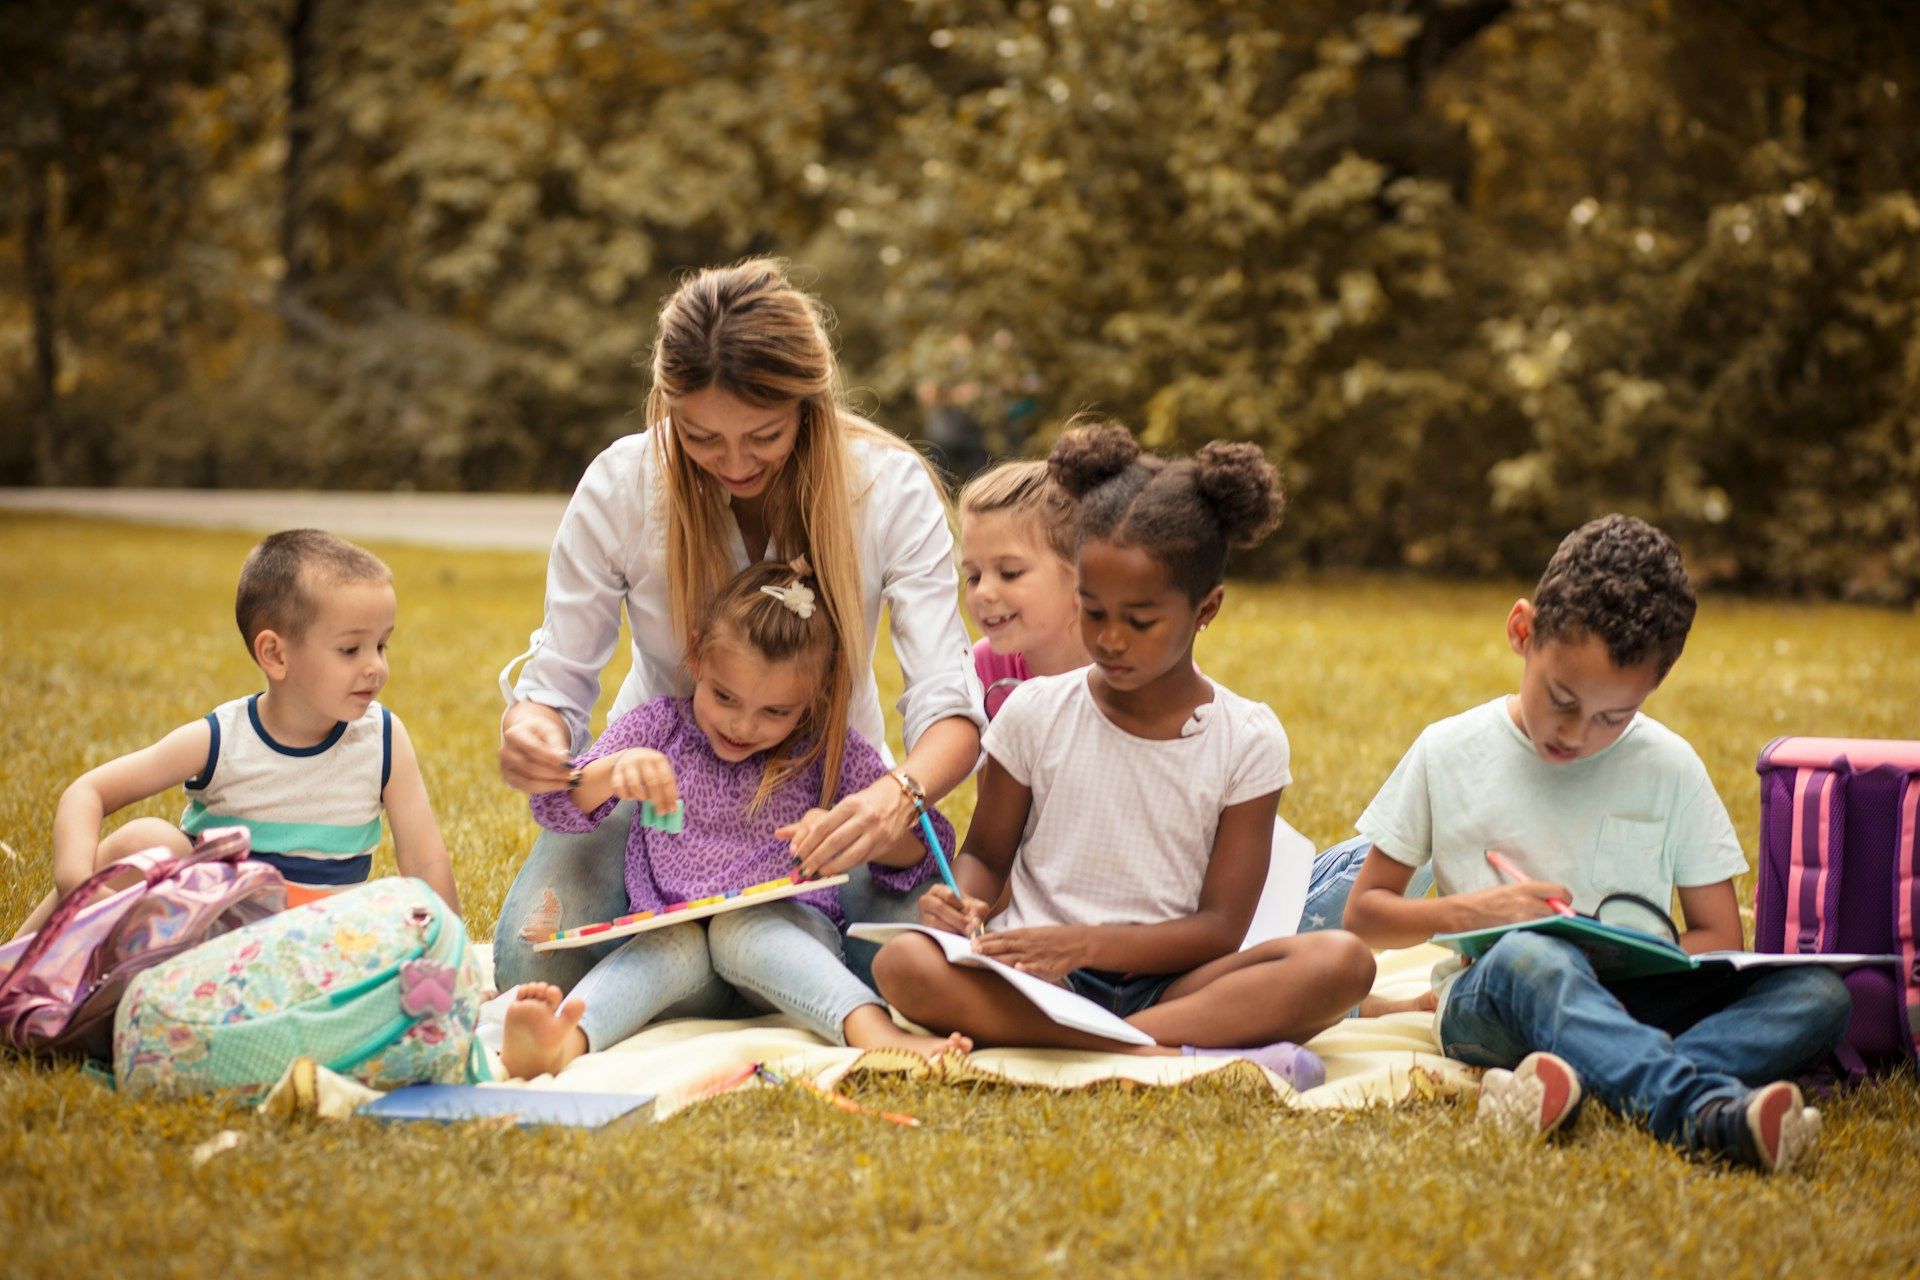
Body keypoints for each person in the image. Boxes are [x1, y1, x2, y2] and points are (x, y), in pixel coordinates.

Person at [492, 259, 984, 994]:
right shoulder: (624, 485)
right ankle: (744, 967)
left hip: (826, 808)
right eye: (700, 437)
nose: (733, 462)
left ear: (809, 406)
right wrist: (534, 737)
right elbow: (557, 683)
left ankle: (704, 966)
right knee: (531, 960)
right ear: (667, 406)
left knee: (928, 966)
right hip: (654, 805)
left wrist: (894, 799)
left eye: (763, 435)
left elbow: (948, 705)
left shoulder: (885, 489)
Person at [1341, 514, 1853, 1173]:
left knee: (1818, 995)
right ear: (1522, 632)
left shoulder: (1670, 765)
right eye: (1562, 699)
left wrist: (1628, 958)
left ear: (1652, 688)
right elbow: (1366, 915)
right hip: (1493, 998)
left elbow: (1718, 936)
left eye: (1614, 717)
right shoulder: (1448, 751)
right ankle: (1703, 1112)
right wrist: (1480, 914)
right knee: (1537, 956)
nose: (1577, 734)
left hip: (1634, 1000)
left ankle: (1579, 1083)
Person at [872, 424, 1376, 1086]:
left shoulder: (1247, 738)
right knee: (901, 964)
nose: (1110, 639)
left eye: (1139, 621)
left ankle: (1115, 1041)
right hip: (1036, 977)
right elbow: (987, 857)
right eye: (1092, 611)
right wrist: (962, 901)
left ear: (1207, 609)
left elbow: (1222, 927)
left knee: (1343, 965)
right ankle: (1169, 1051)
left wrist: (1085, 944)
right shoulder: (1033, 712)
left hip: (1175, 983)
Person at [500, 560, 971, 1077]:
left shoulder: (828, 753)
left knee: (741, 927)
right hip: (685, 971)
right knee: (670, 945)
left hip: (789, 952)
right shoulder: (661, 727)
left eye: (775, 712)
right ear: (697, 655)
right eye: (725, 697)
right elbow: (555, 807)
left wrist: (858, 831)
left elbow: (927, 847)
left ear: (813, 696)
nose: (743, 726)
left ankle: (873, 1030)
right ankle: (564, 1042)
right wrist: (609, 773)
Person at [13, 529, 459, 938]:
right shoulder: (222, 740)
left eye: (382, 645)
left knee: (400, 916)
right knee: (146, 840)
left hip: (318, 951)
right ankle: (16, 965)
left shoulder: (381, 738)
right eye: (350, 649)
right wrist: (76, 880)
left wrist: (455, 961)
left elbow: (424, 862)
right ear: (275, 655)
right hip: (204, 948)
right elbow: (88, 791)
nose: (376, 667)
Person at [957, 460, 1087, 719]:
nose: (983, 592)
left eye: (1010, 573)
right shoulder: (981, 667)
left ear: (1082, 578)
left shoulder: (1142, 675)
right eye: (973, 576)